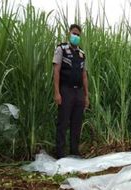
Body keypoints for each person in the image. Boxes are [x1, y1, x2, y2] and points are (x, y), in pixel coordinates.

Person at [52, 24, 89, 159]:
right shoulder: (61, 49)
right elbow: (56, 71)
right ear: (69, 34)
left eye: (78, 35)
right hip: (65, 90)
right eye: (74, 34)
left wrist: (86, 95)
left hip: (78, 92)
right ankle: (60, 155)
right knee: (63, 122)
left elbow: (84, 76)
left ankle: (75, 153)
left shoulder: (82, 54)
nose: (76, 37)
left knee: (76, 123)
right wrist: (57, 92)